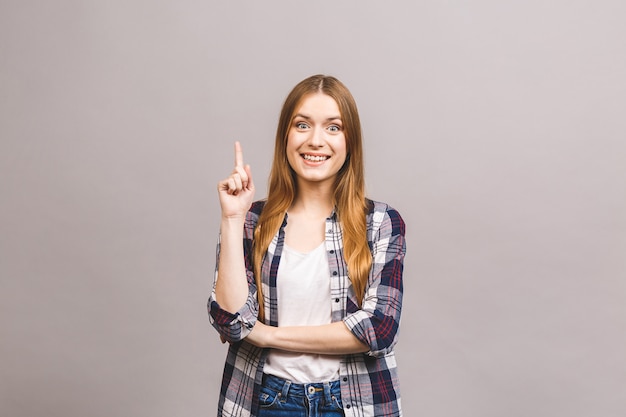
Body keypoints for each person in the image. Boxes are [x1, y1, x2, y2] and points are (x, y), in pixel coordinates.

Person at [208, 74, 406, 417]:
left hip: (353, 403)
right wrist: (232, 219)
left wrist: (267, 335)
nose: (316, 140)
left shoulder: (381, 223)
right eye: (302, 125)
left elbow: (378, 329)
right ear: (286, 135)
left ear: (350, 141)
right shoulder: (252, 221)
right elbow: (233, 323)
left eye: (333, 127)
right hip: (265, 399)